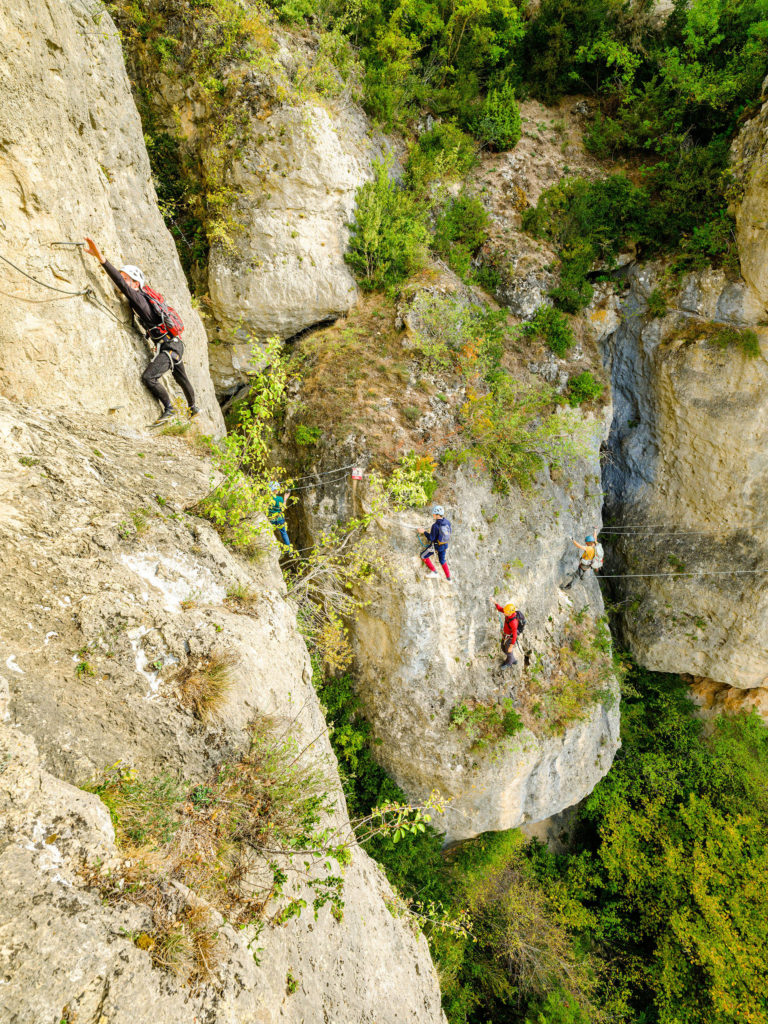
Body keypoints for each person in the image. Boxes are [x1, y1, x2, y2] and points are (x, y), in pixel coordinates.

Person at [83, 237, 198, 423]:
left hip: (169, 347)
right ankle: (194, 407)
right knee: (181, 377)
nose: (123, 282)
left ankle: (169, 408)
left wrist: (100, 258)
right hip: (175, 345)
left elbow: (120, 283)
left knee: (149, 377)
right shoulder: (148, 299)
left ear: (136, 284)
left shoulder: (139, 299)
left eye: (128, 279)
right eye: (125, 278)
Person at [418, 505, 452, 582]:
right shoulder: (447, 522)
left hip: (436, 546)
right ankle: (448, 578)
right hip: (445, 545)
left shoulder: (435, 525)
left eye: (433, 514)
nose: (432, 515)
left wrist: (424, 532)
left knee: (423, 556)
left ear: (437, 515)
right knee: (442, 560)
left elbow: (431, 538)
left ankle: (434, 572)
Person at [491, 598, 523, 669]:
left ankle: (509, 663)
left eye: (505, 612)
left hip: (510, 638)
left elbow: (514, 635)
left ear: (509, 613)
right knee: (503, 647)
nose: (504, 613)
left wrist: (511, 646)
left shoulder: (513, 622)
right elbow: (500, 609)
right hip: (506, 635)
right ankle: (513, 659)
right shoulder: (508, 613)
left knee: (508, 650)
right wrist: (495, 602)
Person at [268, 482, 290, 547]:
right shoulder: (280, 498)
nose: (277, 490)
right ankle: (289, 550)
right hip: (280, 518)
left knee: (270, 533)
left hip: (271, 519)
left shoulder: (267, 499)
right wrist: (285, 499)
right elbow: (283, 509)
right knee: (284, 533)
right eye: (276, 489)